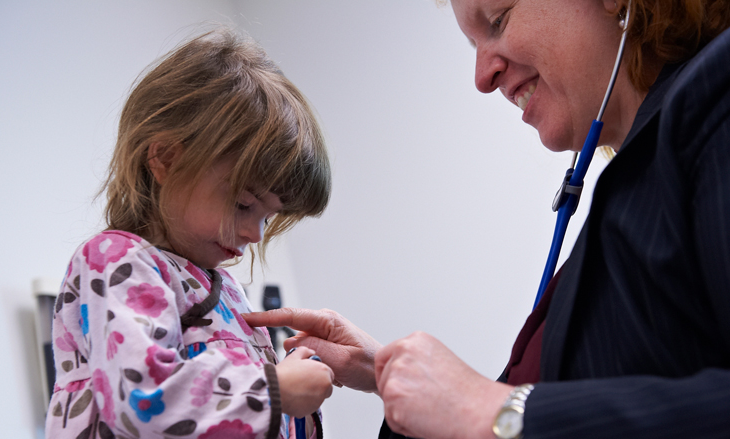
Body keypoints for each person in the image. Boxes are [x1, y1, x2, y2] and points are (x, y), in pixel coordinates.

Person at [244, 0, 730, 438]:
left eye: (498, 20)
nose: (482, 76)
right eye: (474, 44)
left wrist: (496, 408)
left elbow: (507, 415)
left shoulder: (717, 97)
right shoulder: (634, 192)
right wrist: (384, 371)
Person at [46, 27, 334, 439]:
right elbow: (143, 399)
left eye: (268, 217)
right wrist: (276, 391)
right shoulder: (116, 259)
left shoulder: (224, 288)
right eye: (243, 204)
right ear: (165, 158)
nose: (255, 233)